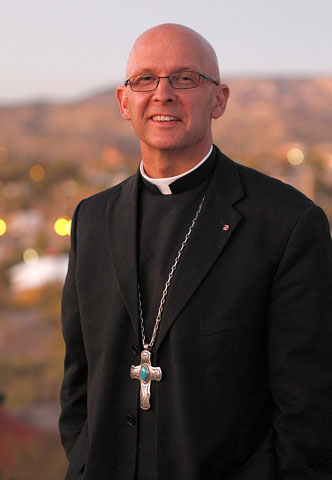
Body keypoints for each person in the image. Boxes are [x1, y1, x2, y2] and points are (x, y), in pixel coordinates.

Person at [59, 23, 332, 480]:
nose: (162, 93)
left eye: (185, 79)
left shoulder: (286, 223)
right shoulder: (91, 219)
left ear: (219, 99)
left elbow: (310, 412)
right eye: (145, 79)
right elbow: (77, 379)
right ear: (125, 102)